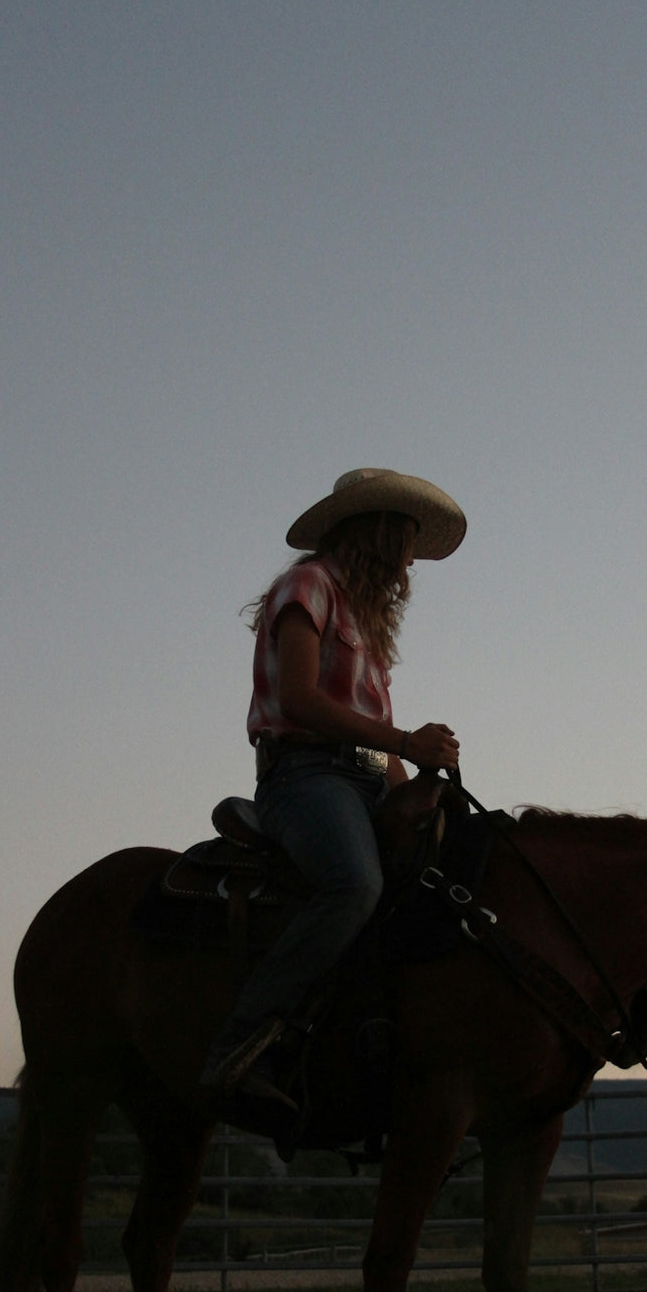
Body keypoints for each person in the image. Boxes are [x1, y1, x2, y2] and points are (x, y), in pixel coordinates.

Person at [199, 467, 467, 1119]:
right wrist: (406, 743)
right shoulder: (307, 585)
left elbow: (376, 744)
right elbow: (299, 698)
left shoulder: (365, 623)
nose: (410, 554)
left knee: (444, 875)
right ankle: (239, 1048)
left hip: (366, 777)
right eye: (405, 534)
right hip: (303, 775)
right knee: (354, 884)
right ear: (372, 528)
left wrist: (421, 788)